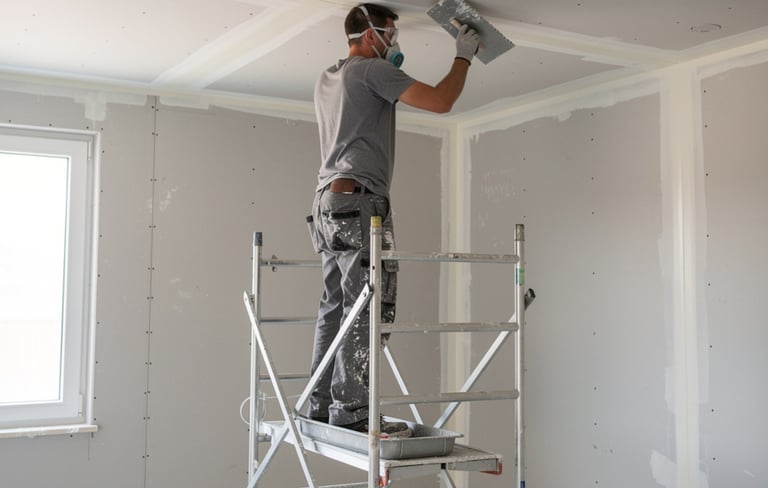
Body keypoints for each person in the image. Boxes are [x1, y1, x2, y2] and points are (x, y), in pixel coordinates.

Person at [306, 3, 480, 437]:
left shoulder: (328, 77)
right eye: (390, 34)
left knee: (336, 306)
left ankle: (320, 403)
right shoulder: (372, 71)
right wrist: (463, 56)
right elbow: (441, 101)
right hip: (359, 202)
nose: (394, 42)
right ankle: (352, 409)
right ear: (370, 35)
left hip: (328, 204)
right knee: (370, 304)